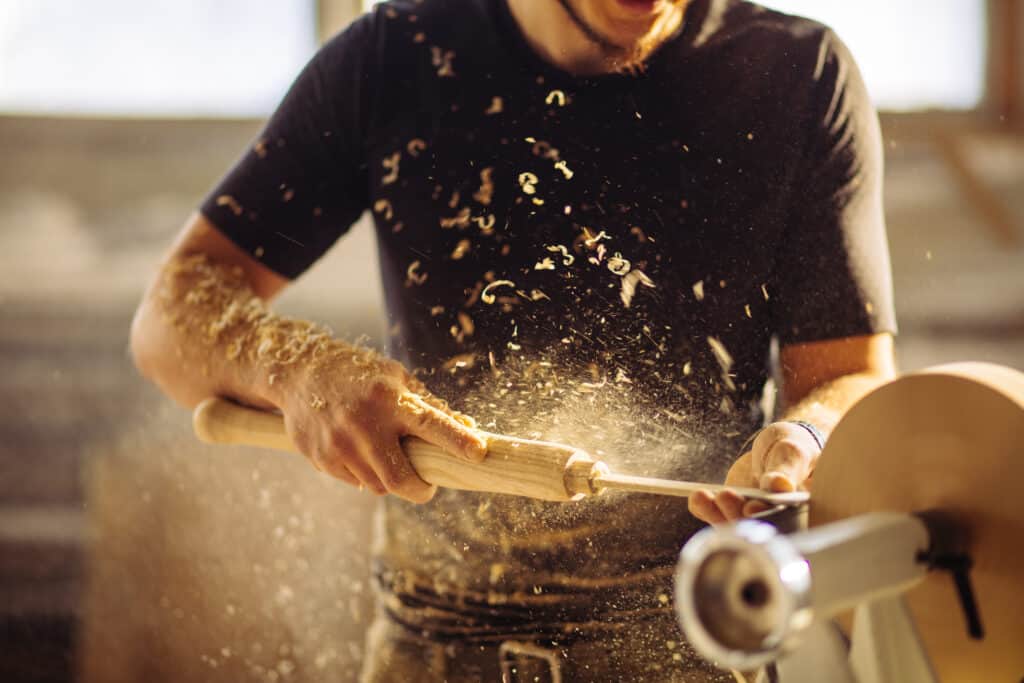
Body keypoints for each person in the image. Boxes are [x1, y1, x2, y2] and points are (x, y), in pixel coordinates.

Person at [130, 0, 897, 680]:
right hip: (432, 647)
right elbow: (169, 317)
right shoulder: (394, 55)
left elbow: (852, 376)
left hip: (696, 641)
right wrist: (298, 372)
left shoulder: (799, 72)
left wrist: (805, 435)